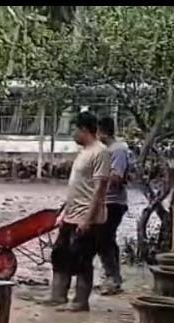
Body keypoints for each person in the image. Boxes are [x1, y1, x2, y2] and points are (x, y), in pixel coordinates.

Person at [46, 111, 110, 312]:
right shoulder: (83, 152)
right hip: (72, 215)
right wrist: (64, 212)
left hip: (88, 217)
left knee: (82, 260)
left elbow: (99, 190)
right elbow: (77, 186)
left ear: (84, 130)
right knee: (59, 254)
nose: (72, 134)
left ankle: (80, 301)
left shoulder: (100, 152)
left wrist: (88, 219)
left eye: (74, 129)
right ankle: (58, 296)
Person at [96, 116, 131, 295]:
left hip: (113, 201)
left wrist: (98, 177)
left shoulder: (118, 150)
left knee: (105, 239)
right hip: (104, 200)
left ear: (101, 132)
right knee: (104, 239)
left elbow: (117, 178)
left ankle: (113, 278)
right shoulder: (107, 149)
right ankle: (111, 276)